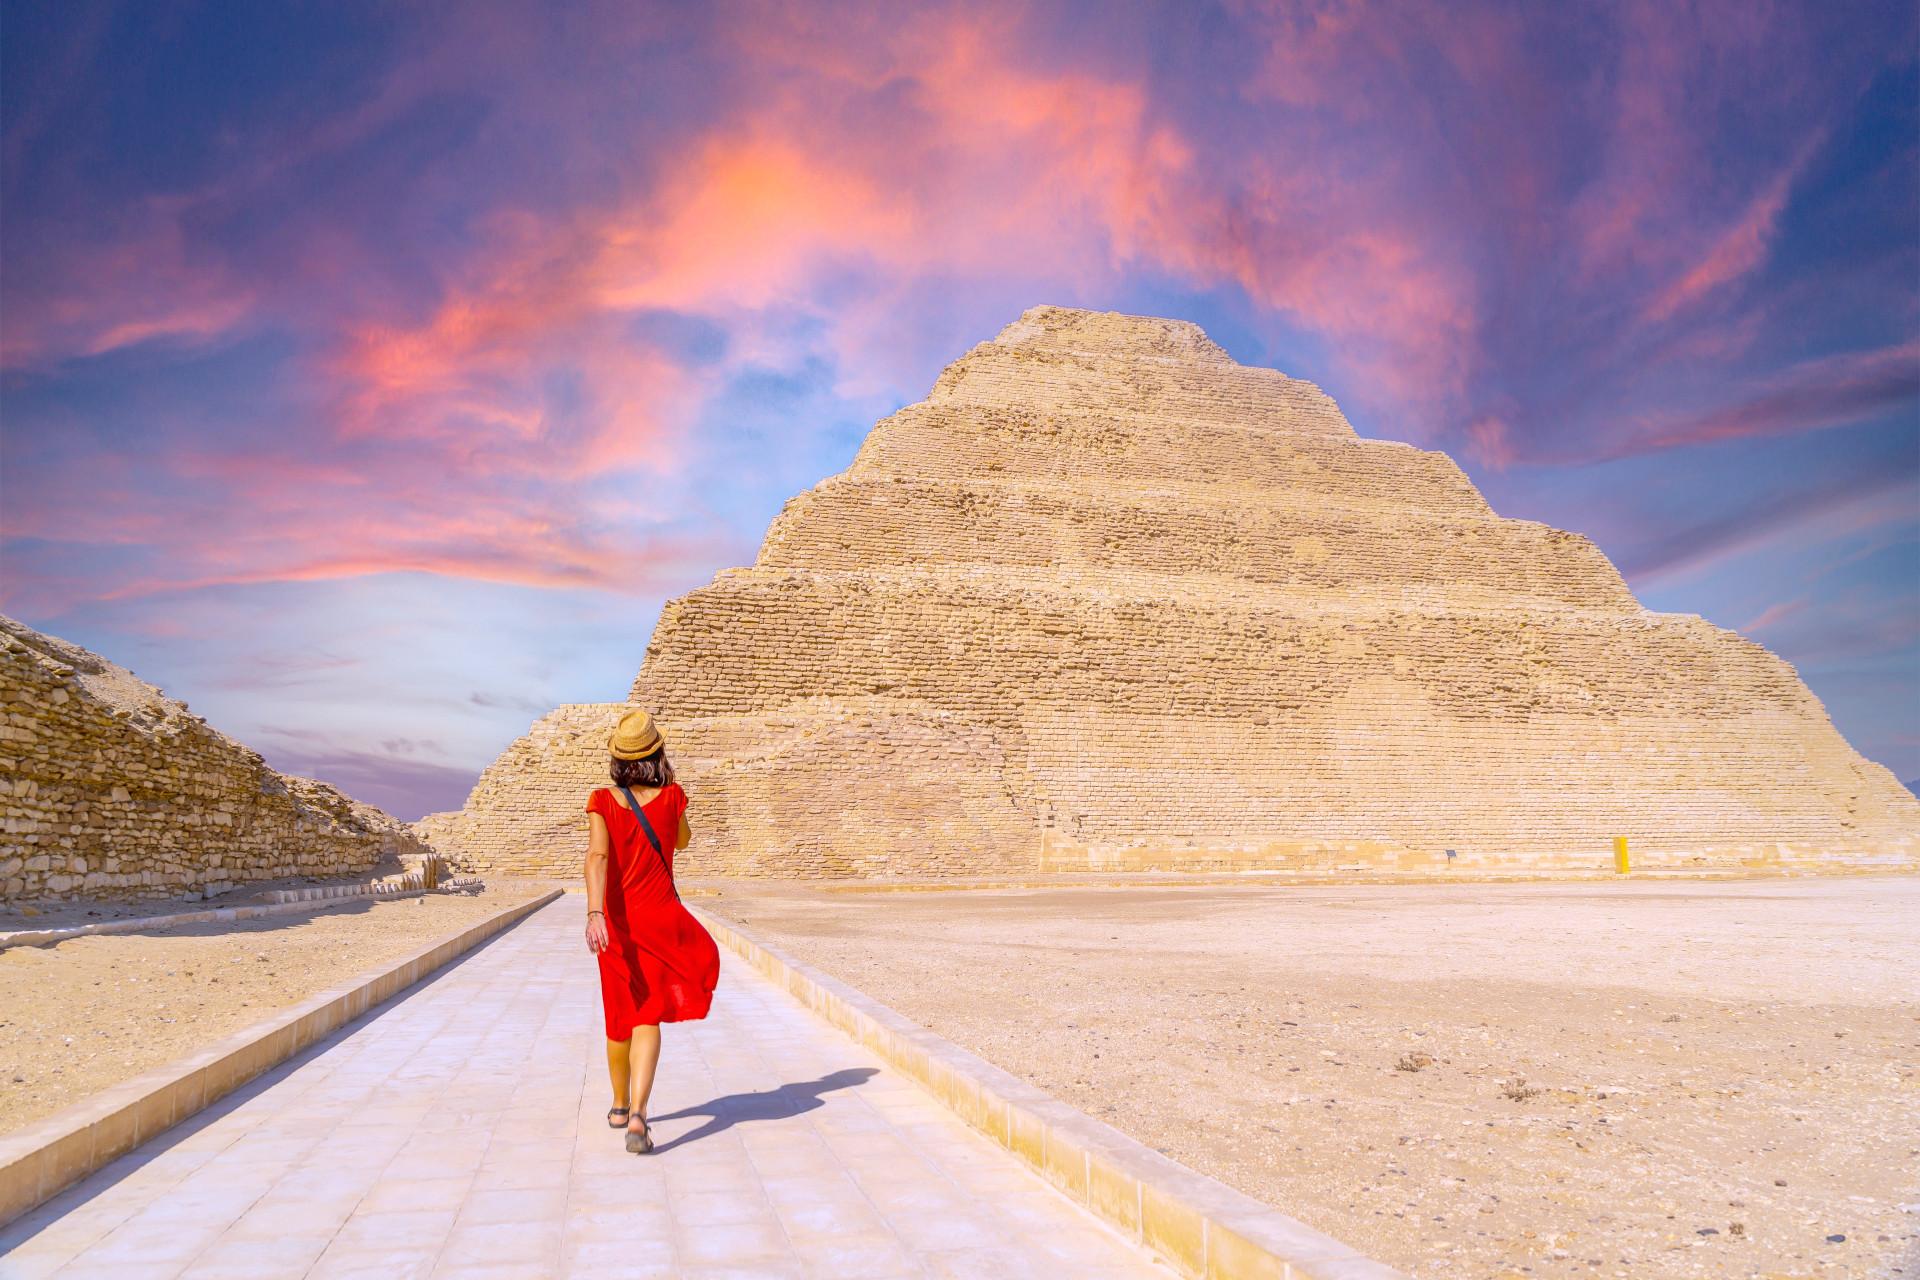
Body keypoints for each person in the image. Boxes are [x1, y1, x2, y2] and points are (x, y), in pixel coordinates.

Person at [583, 709, 720, 1153]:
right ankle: (639, 1115)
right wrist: (670, 805)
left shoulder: (602, 801)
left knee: (619, 1015)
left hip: (618, 921)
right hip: (660, 918)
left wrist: (594, 913)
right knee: (649, 1015)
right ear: (657, 753)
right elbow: (681, 841)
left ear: (619, 760)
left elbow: (597, 857)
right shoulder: (674, 795)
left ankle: (620, 1105)